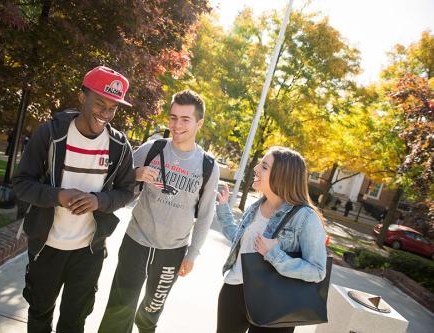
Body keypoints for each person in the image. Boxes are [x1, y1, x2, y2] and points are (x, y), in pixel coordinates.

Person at [12, 66, 136, 333]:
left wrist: (98, 201)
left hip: (88, 251)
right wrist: (58, 195)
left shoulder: (119, 146)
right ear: (82, 97)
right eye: (100, 102)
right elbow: (21, 184)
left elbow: (127, 191)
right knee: (40, 313)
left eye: (113, 107)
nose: (105, 112)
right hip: (47, 246)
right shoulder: (50, 135)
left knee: (74, 321)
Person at [99, 90, 219, 333]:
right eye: (173, 117)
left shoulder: (208, 165)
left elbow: (205, 214)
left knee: (150, 313)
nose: (177, 125)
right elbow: (116, 183)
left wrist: (192, 254)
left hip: (172, 252)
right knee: (119, 307)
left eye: (185, 119)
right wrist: (136, 174)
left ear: (199, 123)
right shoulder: (151, 149)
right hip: (136, 241)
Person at [215, 146, 327, 333]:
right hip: (234, 291)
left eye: (264, 167)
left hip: (274, 300)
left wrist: (274, 254)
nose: (256, 169)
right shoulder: (255, 207)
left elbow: (317, 271)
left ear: (282, 176)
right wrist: (224, 210)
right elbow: (241, 242)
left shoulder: (305, 217)